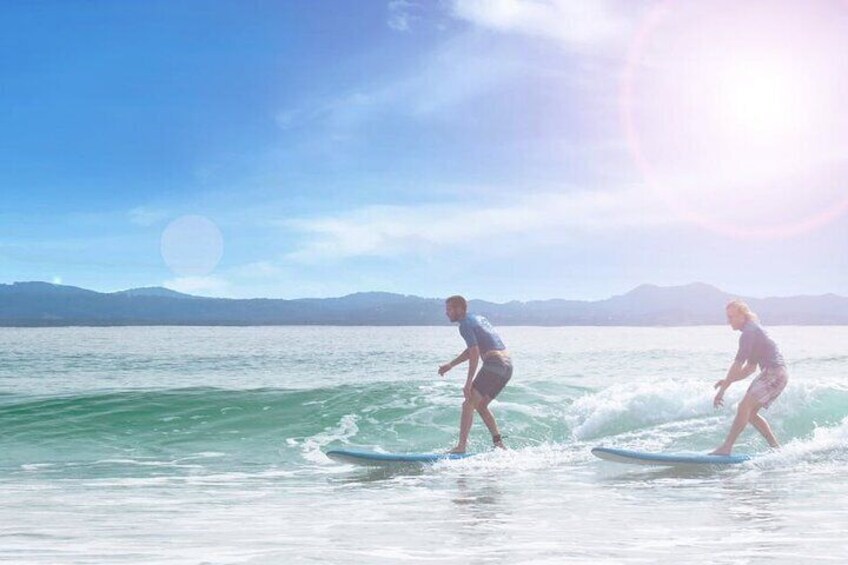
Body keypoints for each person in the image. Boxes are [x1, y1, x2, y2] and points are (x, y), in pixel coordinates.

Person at [711, 300, 788, 455]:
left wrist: (723, 390)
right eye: (728, 317)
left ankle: (726, 447)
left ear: (742, 315)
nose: (728, 321)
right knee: (750, 414)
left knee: (743, 407)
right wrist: (727, 380)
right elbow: (749, 369)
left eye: (731, 317)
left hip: (773, 372)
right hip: (777, 373)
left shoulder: (749, 332)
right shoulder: (752, 331)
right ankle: (776, 448)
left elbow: (738, 364)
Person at [438, 295, 512, 454]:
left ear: (459, 309)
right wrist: (451, 364)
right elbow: (472, 349)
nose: (447, 313)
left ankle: (461, 446)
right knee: (481, 405)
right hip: (507, 366)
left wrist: (468, 382)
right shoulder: (478, 319)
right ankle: (499, 444)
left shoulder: (464, 324)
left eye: (449, 309)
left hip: (494, 363)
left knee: (468, 403)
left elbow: (474, 353)